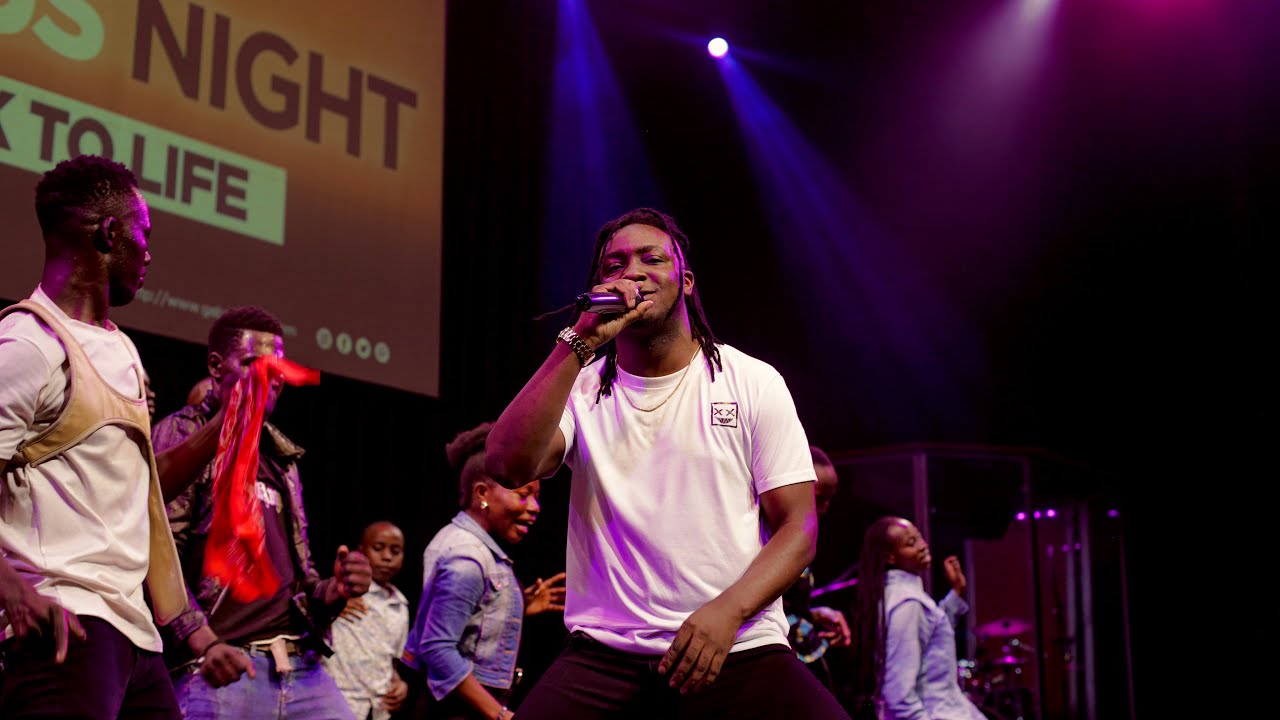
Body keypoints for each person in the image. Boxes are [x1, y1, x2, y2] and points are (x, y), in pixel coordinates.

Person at [485, 208, 850, 718]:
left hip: (738, 642)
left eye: (651, 259)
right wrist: (577, 343)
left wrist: (728, 611)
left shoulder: (751, 381)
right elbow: (505, 464)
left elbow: (799, 528)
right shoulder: (582, 387)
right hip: (606, 653)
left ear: (686, 282)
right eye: (615, 265)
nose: (633, 272)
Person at [0, 155, 184, 717]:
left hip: (134, 631)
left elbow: (144, 488)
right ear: (109, 232)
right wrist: (13, 590)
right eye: (143, 234)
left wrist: (230, 426)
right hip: (65, 621)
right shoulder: (29, 344)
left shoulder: (121, 347)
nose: (148, 253)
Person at [152, 305, 372, 719]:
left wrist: (336, 590)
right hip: (223, 665)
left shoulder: (282, 457)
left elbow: (299, 580)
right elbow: (157, 556)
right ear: (216, 366)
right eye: (254, 363)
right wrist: (203, 642)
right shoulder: (182, 436)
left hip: (301, 667)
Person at [404, 422, 565, 720]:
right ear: (482, 493)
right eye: (524, 494)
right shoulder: (468, 557)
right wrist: (500, 714)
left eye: (537, 497)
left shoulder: (466, 544)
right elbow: (437, 649)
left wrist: (515, 606)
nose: (535, 507)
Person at [850, 517, 987, 720]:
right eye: (911, 543)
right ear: (890, 557)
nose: (923, 545)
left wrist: (957, 591)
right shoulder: (907, 601)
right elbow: (898, 694)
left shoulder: (902, 595)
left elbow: (932, 637)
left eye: (919, 537)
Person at [325, 521, 411, 720]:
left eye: (396, 551)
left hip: (377, 710)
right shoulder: (342, 593)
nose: (387, 557)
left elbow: (391, 661)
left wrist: (400, 685)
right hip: (337, 704)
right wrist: (335, 602)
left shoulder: (400, 606)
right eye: (378, 548)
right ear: (361, 552)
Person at [783, 446, 852, 688]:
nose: (824, 509)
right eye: (819, 498)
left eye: (829, 499)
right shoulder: (760, 535)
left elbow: (785, 605)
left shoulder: (801, 533)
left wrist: (814, 614)